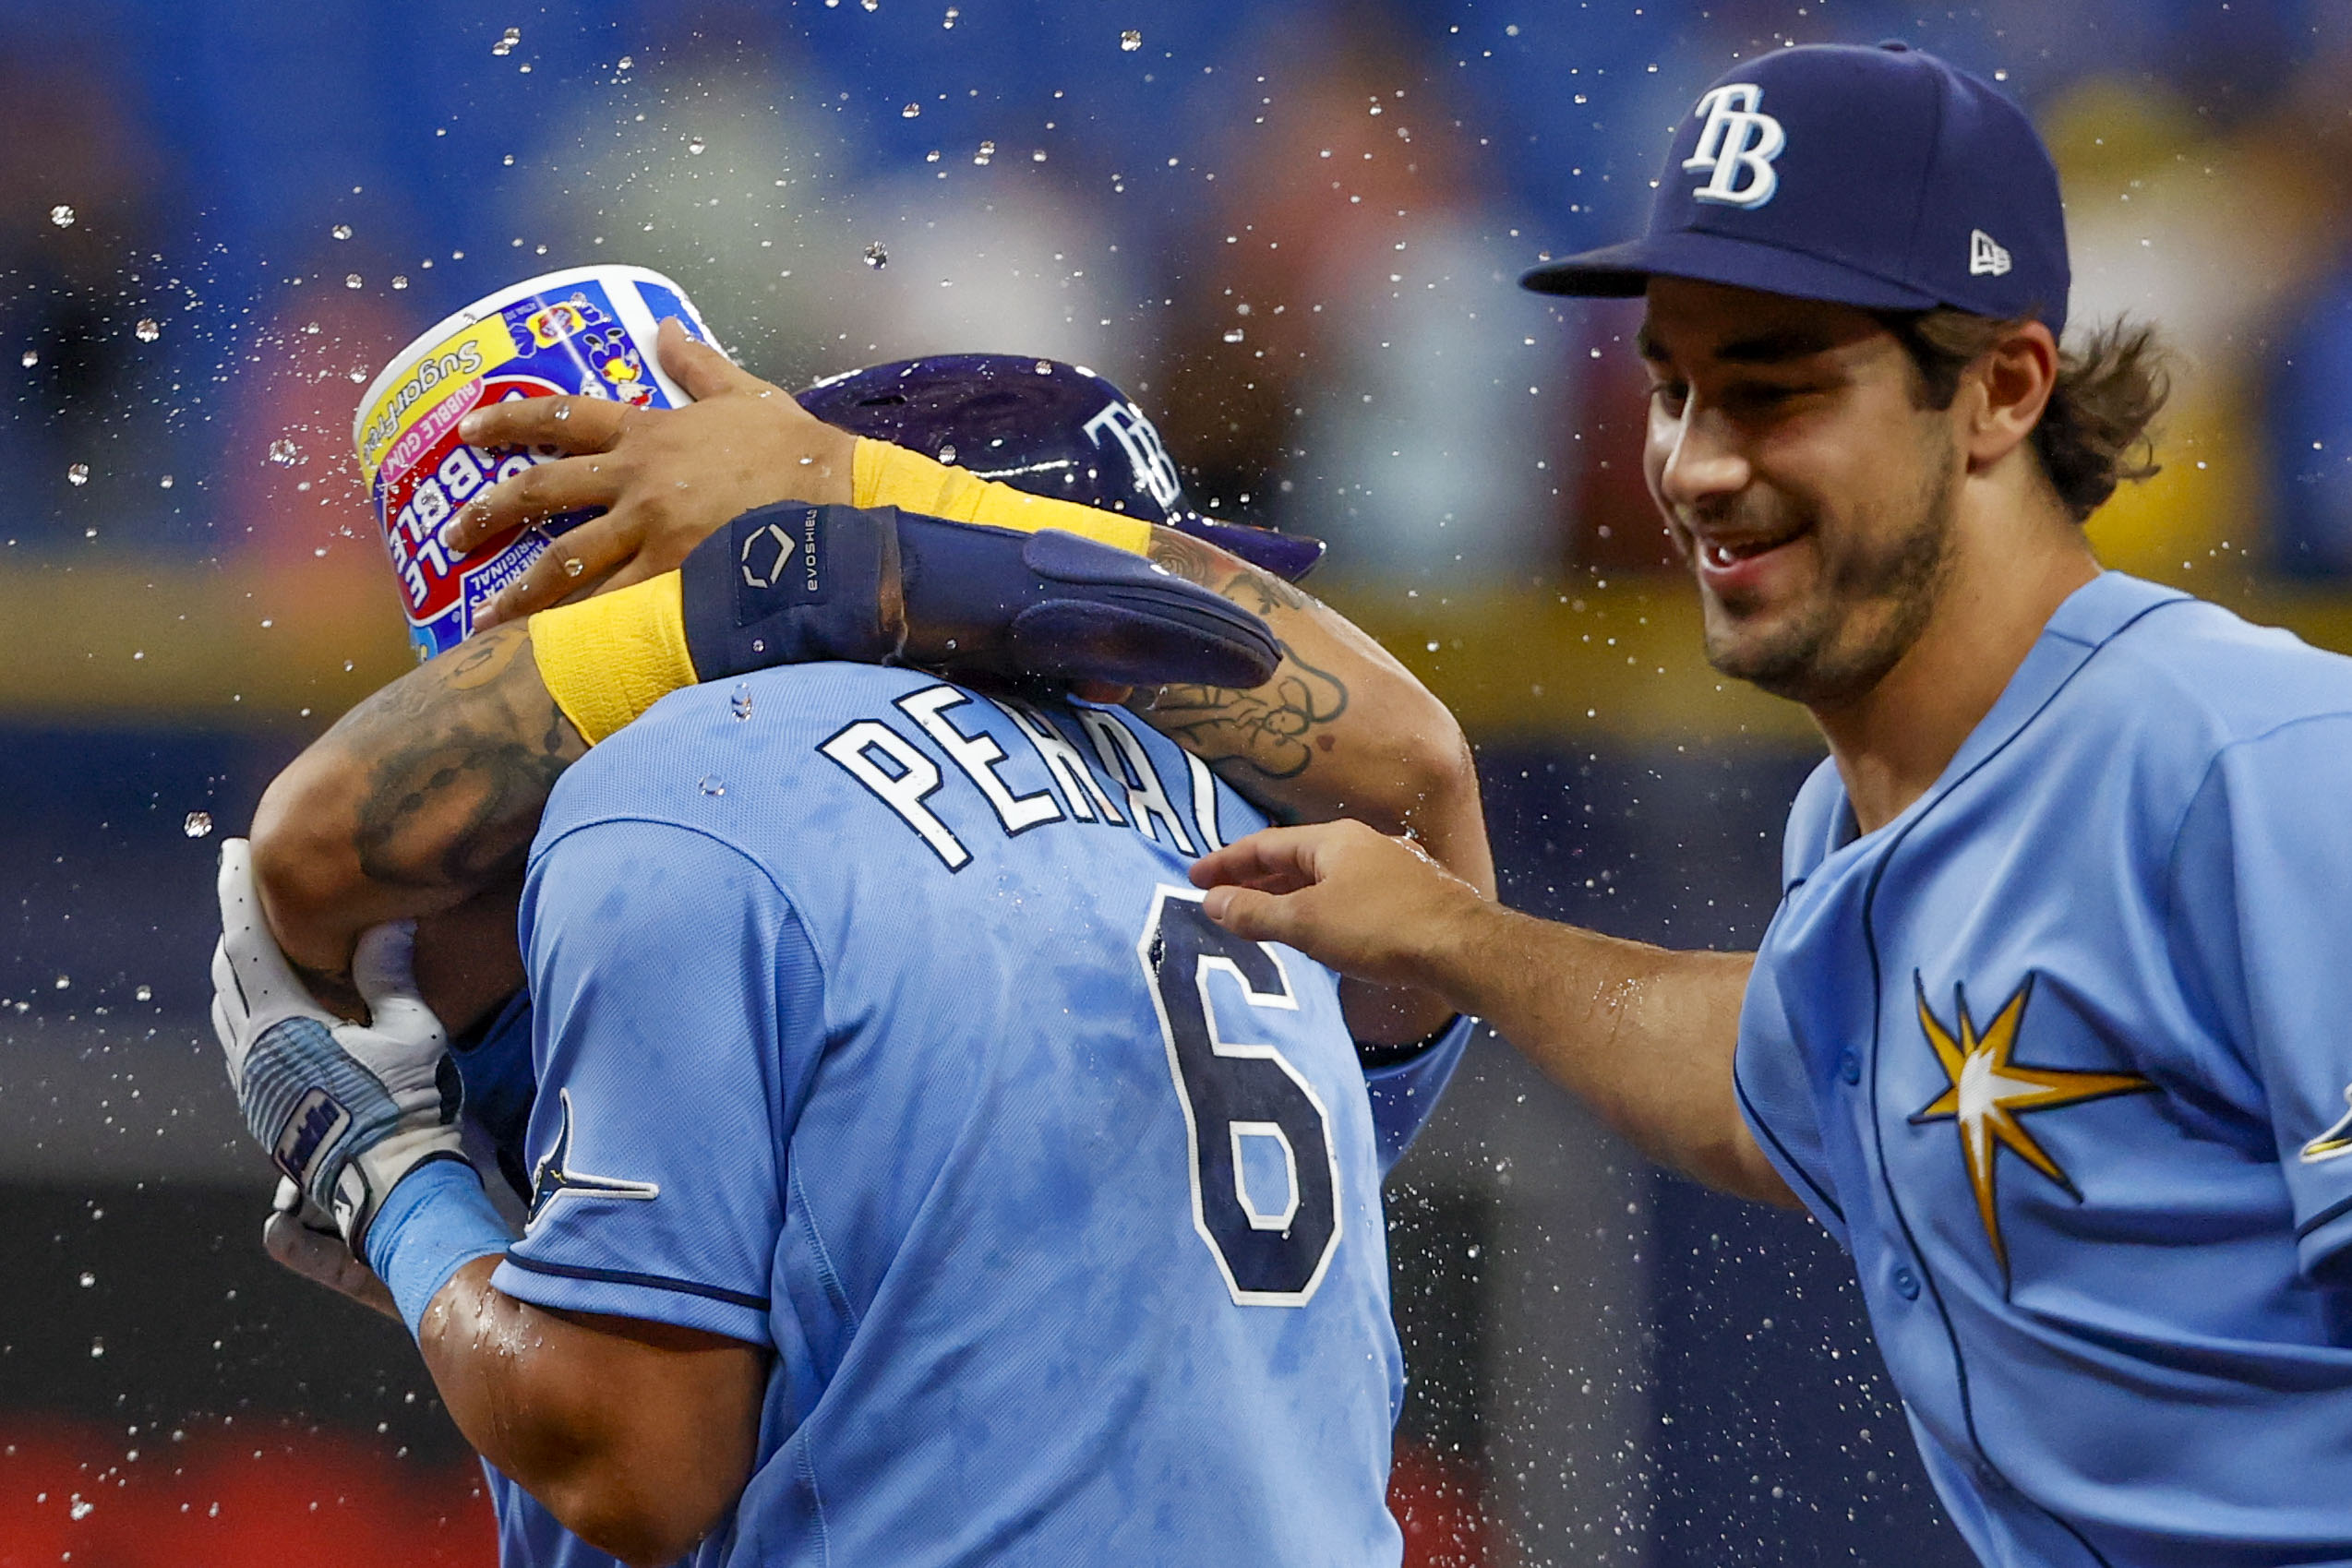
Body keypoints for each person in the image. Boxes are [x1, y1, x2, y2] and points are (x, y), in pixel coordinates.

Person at [1188, 40, 2352, 1567]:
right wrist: (1457, 938)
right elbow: (1777, 1073)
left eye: (1778, 388)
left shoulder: (2253, 768)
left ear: (2001, 387)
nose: (1696, 462)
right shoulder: (1858, 823)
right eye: (1674, 387)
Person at [223, 340, 1494, 1565]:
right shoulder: (1266, 839)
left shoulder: (703, 791)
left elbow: (633, 1468)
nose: (1155, 639)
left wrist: (393, 1181)